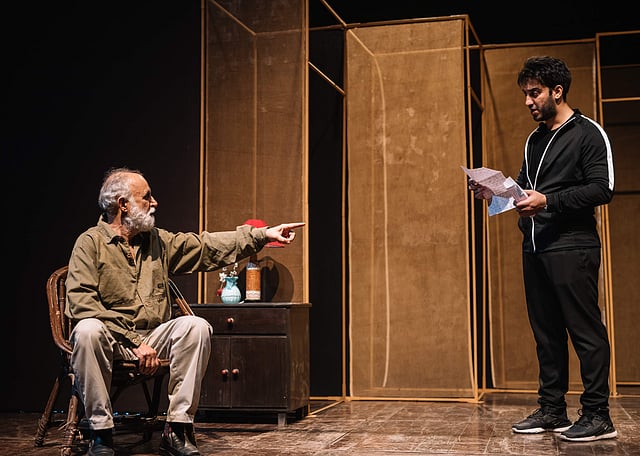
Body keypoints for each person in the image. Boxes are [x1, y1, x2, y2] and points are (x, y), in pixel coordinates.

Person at [65, 167, 305, 456]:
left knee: (196, 326)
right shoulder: (90, 243)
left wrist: (263, 235)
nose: (154, 203)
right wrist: (134, 341)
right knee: (87, 330)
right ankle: (101, 435)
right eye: (146, 197)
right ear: (123, 204)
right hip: (113, 339)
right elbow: (82, 303)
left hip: (152, 336)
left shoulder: (157, 241)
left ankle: (177, 429)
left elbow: (205, 246)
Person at [469, 56, 616, 442]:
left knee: (584, 331)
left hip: (572, 246)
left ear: (557, 91)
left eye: (534, 93)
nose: (528, 101)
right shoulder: (534, 139)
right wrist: (493, 193)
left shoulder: (588, 133)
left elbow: (602, 189)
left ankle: (598, 415)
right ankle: (552, 410)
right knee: (547, 333)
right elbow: (524, 190)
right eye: (525, 94)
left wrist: (548, 200)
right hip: (534, 247)